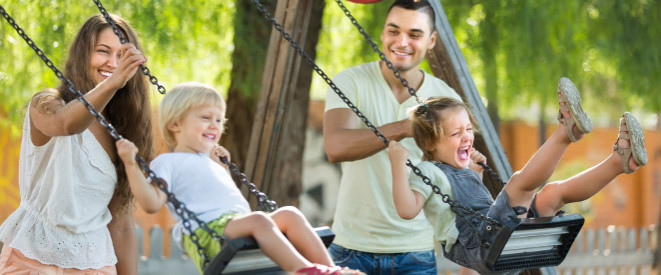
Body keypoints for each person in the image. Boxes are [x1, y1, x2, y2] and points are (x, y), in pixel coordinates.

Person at [387, 78, 648, 274]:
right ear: (431, 144)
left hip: (498, 245)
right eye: (456, 134)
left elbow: (468, 211)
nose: (467, 136)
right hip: (485, 247)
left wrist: (475, 177)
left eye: (468, 128)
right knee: (518, 185)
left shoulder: (457, 171)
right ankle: (566, 133)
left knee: (551, 194)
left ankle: (621, 160)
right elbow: (407, 209)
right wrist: (398, 164)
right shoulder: (429, 172)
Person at [115, 82, 363, 275]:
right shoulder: (167, 162)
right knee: (258, 220)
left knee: (290, 214)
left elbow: (226, 199)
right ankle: (303, 270)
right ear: (175, 124)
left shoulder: (209, 162)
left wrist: (221, 169)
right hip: (210, 234)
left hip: (235, 224)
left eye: (218, 120)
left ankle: (330, 269)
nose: (215, 125)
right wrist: (130, 163)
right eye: (205, 118)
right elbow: (151, 203)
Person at [0, 14, 152, 274]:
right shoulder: (47, 103)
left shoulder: (123, 131)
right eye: (103, 51)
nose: (112, 63)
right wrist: (114, 83)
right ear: (82, 56)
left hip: (95, 262)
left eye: (121, 56)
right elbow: (67, 125)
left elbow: (121, 224)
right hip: (32, 257)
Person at [323, 0, 462, 274]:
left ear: (431, 40)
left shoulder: (445, 98)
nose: (402, 42)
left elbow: (456, 176)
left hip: (416, 254)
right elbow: (335, 147)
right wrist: (403, 127)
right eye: (393, 31)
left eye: (414, 34)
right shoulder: (351, 81)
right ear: (383, 34)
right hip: (350, 249)